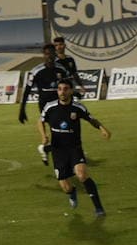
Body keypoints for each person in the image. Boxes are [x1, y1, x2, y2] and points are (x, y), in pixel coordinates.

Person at [41, 79, 111, 216]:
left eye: (65, 89)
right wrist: (44, 136)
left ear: (71, 91)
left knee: (82, 175)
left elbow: (91, 119)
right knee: (66, 187)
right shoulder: (50, 107)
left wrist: (102, 128)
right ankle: (71, 193)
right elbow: (40, 121)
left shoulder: (78, 107)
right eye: (60, 89)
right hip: (58, 151)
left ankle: (99, 208)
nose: (62, 92)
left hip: (74, 148)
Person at [19, 44, 64, 166]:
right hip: (45, 103)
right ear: (44, 55)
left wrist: (75, 95)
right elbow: (27, 90)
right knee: (60, 129)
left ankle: (46, 147)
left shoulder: (61, 69)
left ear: (55, 54)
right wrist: (22, 109)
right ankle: (50, 148)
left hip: (59, 103)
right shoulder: (36, 71)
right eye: (47, 54)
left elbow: (66, 86)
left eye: (51, 53)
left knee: (61, 130)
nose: (49, 56)